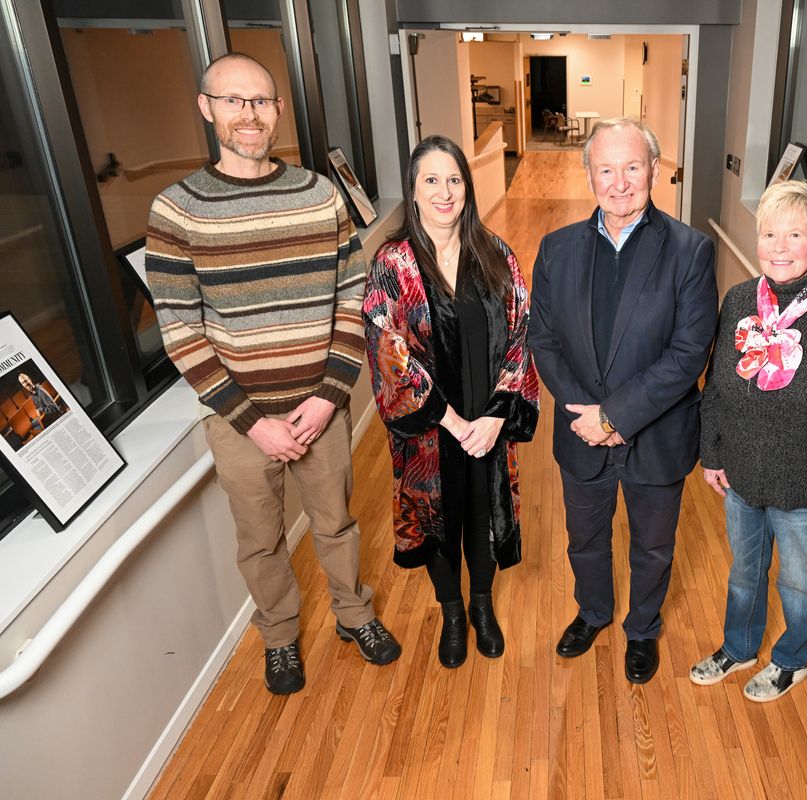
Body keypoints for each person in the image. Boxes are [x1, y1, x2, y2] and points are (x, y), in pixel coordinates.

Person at [145, 53, 399, 696]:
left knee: (336, 522)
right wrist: (254, 423)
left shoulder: (320, 195)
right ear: (207, 108)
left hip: (322, 408)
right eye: (234, 101)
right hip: (241, 423)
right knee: (259, 540)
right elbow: (181, 332)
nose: (249, 115)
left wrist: (328, 398)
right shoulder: (177, 211)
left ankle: (354, 613)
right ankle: (280, 636)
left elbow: (353, 298)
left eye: (261, 101)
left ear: (279, 110)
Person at [529, 117, 718, 684]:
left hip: (656, 436)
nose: (619, 181)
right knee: (585, 538)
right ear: (588, 174)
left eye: (632, 167)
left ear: (654, 171)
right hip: (580, 430)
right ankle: (593, 613)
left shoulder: (690, 251)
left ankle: (642, 628)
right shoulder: (556, 249)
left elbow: (689, 354)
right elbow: (543, 339)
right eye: (606, 168)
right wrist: (590, 417)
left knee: (652, 545)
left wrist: (617, 416)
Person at [690, 181, 807, 702]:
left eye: (794, 234)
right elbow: (718, 385)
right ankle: (739, 647)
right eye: (770, 233)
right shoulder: (737, 301)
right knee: (744, 574)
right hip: (743, 476)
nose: (779, 246)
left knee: (800, 585)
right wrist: (712, 453)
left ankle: (793, 658)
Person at [363, 135, 539, 669]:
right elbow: (385, 346)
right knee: (440, 519)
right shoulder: (393, 263)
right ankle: (454, 612)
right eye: (431, 180)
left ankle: (483, 606)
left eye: (454, 179)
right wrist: (449, 418)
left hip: (486, 421)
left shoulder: (496, 254)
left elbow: (521, 333)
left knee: (484, 513)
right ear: (413, 191)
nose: (445, 192)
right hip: (430, 428)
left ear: (468, 187)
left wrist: (494, 415)